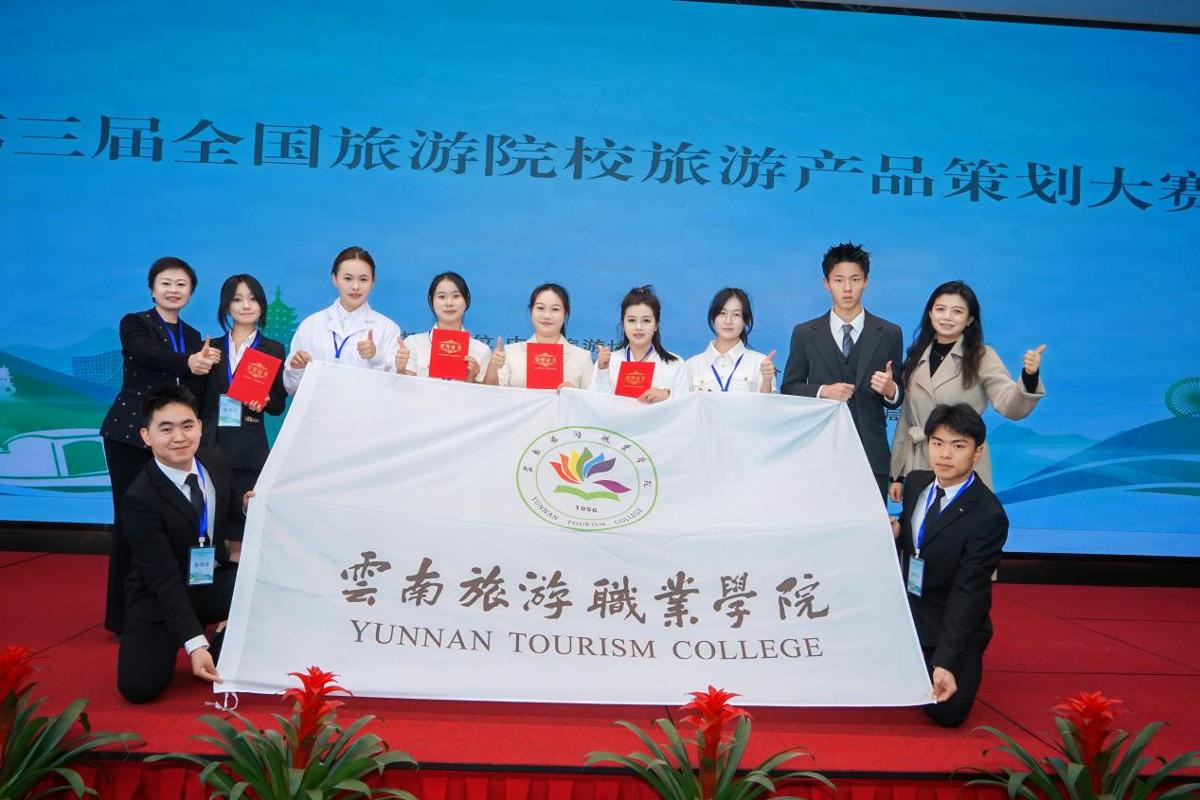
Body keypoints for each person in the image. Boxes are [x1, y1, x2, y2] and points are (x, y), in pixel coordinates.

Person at [101, 256, 222, 634]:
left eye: (181, 284)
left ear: (191, 292)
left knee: (174, 523)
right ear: (152, 289)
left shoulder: (194, 336)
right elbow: (146, 354)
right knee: (131, 522)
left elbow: (194, 390)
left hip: (174, 441)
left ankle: (177, 610)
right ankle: (123, 617)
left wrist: (203, 368)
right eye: (166, 283)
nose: (173, 290)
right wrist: (190, 362)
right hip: (130, 434)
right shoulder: (135, 323)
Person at [117, 384, 245, 704]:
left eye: (187, 426)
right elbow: (162, 578)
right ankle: (191, 634)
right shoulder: (139, 499)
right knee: (138, 688)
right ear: (146, 436)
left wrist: (247, 507)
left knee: (262, 585)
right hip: (160, 595)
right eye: (166, 429)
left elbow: (232, 517)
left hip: (210, 581)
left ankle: (222, 638)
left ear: (200, 427)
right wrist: (194, 643)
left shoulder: (214, 460)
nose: (179, 437)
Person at [894, 403, 1007, 727]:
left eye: (958, 446)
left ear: (977, 452)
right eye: (937, 443)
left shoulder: (988, 515)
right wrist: (898, 530)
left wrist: (945, 662)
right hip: (907, 613)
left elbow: (969, 595)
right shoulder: (916, 483)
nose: (945, 454)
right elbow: (917, 537)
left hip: (947, 623)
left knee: (946, 712)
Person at [888, 280, 1045, 499]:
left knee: (962, 518)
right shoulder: (917, 355)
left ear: (970, 319)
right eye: (940, 309)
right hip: (920, 461)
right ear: (930, 313)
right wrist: (897, 474)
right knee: (920, 518)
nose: (947, 317)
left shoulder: (981, 356)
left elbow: (1010, 405)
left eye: (957, 311)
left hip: (962, 459)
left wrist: (1029, 376)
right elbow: (906, 419)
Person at [781, 243, 903, 497]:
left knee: (871, 522)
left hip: (872, 454)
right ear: (826, 283)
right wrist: (823, 391)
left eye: (855, 279)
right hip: (819, 452)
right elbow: (789, 389)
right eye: (839, 280)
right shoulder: (805, 333)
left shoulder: (889, 333)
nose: (847, 288)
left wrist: (891, 390)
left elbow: (897, 396)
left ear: (866, 281)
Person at [200, 274, 287, 509]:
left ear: (262, 305)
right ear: (226, 305)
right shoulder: (209, 348)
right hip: (211, 444)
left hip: (249, 447)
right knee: (211, 515)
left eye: (253, 299)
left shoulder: (273, 349)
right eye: (237, 299)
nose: (246, 306)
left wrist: (266, 401)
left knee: (245, 514)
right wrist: (200, 365)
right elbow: (197, 398)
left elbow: (278, 405)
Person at [283, 246, 401, 394]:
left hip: (365, 408)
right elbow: (291, 388)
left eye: (363, 279)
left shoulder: (388, 329)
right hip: (320, 408)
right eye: (348, 278)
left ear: (373, 282)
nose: (355, 286)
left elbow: (396, 388)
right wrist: (296, 368)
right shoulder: (311, 325)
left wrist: (376, 356)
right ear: (334, 279)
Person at [482, 283, 594, 389]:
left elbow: (591, 400)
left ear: (565, 314)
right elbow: (492, 395)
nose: (547, 315)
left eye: (555, 309)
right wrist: (493, 367)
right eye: (540, 308)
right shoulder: (510, 353)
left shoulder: (582, 358)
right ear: (531, 311)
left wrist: (574, 393)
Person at [591, 286, 690, 403]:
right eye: (632, 320)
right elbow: (594, 405)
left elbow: (687, 407)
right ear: (623, 325)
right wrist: (603, 371)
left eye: (646, 320)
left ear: (656, 325)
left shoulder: (675, 364)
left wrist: (667, 397)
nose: (638, 327)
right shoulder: (609, 362)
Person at [397, 272, 491, 382]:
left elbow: (485, 392)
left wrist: (471, 378)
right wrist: (401, 370)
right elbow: (405, 389)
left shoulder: (481, 350)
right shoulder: (413, 343)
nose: (449, 303)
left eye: (456, 296)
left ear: (466, 300)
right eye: (441, 297)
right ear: (431, 301)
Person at [685, 287, 777, 393]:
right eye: (722, 313)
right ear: (713, 317)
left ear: (745, 320)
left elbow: (767, 403)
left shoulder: (760, 363)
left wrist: (767, 380)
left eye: (736, 314)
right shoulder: (691, 366)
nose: (728, 321)